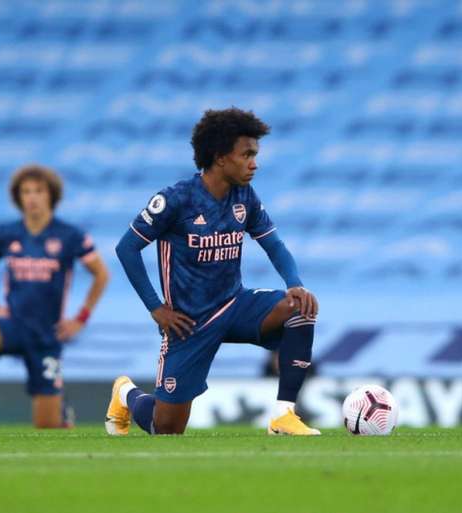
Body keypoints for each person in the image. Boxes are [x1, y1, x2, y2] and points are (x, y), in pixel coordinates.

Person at [106, 107, 320, 436]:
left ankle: (283, 416)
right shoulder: (175, 200)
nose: (254, 163)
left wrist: (295, 284)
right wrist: (156, 308)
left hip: (234, 304)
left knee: (300, 308)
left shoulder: (244, 196)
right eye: (246, 154)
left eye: (255, 154)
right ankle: (125, 392)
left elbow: (274, 245)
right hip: (188, 323)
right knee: (166, 429)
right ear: (221, 157)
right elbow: (126, 248)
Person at [0, 164, 109, 430]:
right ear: (18, 197)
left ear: (51, 195)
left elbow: (101, 274)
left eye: (38, 191)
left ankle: (60, 406)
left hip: (46, 334)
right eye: (26, 191)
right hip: (12, 324)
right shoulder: (6, 233)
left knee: (48, 425)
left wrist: (80, 318)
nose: (32, 197)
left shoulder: (70, 235)